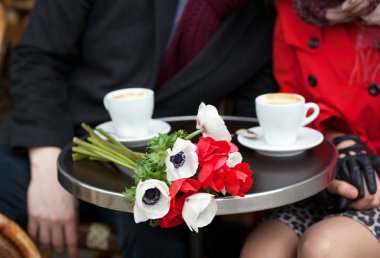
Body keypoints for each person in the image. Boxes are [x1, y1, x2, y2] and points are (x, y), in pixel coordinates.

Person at [0, 0, 277, 257]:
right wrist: (50, 168)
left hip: (156, 172)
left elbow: (246, 127)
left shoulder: (262, 19)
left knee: (164, 245)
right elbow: (38, 58)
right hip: (58, 140)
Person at [240, 0, 380, 257]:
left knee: (325, 248)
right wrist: (337, 142)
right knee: (263, 251)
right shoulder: (293, 9)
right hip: (321, 174)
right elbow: (294, 101)